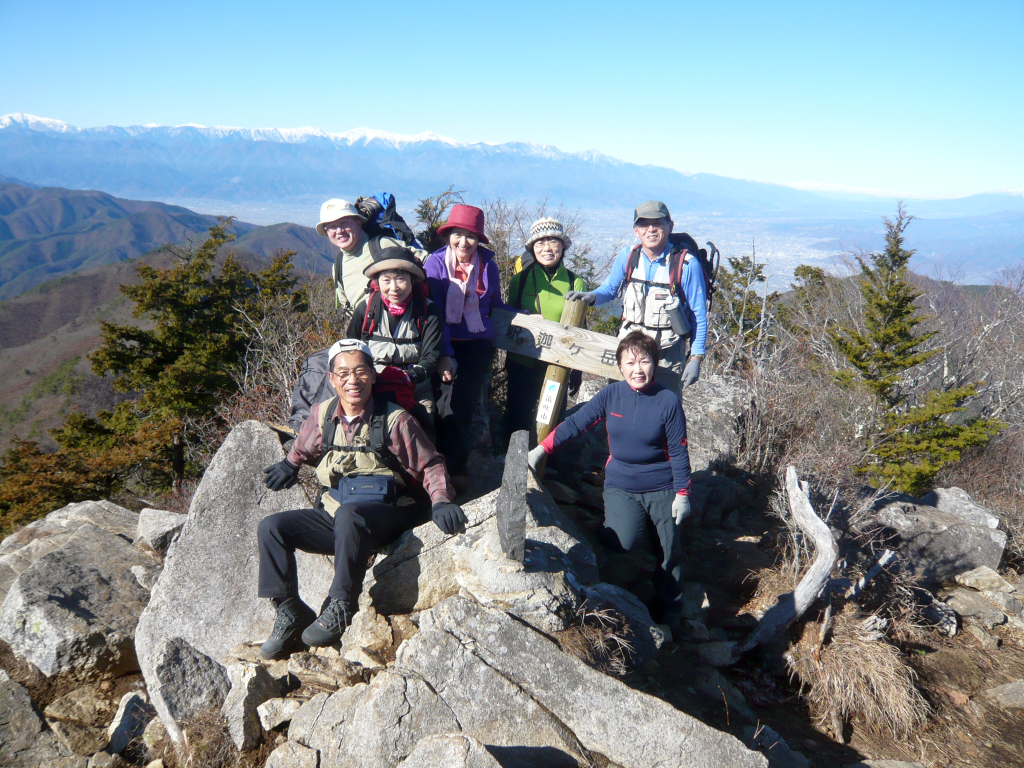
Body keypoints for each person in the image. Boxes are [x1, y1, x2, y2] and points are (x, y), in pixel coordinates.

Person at [257, 339, 466, 659]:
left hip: (387, 512)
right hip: (337, 511)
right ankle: (290, 610)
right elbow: (305, 444)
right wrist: (290, 464)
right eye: (342, 373)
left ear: (372, 375)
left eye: (359, 372)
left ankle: (342, 605)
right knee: (271, 527)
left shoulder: (395, 420)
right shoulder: (323, 414)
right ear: (331, 379)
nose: (351, 380)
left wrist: (440, 499)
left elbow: (429, 463)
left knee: (349, 516)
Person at [528, 331, 692, 633]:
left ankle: (670, 606)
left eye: (644, 361)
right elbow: (577, 423)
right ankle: (606, 534)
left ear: (654, 364)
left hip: (661, 485)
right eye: (630, 362)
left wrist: (682, 492)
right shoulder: (612, 395)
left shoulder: (667, 401)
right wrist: (542, 449)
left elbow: (679, 449)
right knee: (622, 543)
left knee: (669, 548)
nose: (638, 368)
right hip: (621, 483)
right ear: (620, 366)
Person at [566, 201, 707, 395]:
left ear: (670, 226)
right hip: (630, 351)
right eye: (644, 225)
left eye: (657, 223)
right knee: (620, 404)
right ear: (635, 230)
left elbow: (698, 313)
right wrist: (591, 296)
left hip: (667, 353)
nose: (651, 230)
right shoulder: (628, 256)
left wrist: (696, 358)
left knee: (663, 408)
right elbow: (609, 289)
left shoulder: (687, 265)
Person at [423, 204, 509, 476]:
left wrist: (530, 317)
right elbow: (435, 311)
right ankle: (431, 467)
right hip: (443, 341)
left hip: (477, 344)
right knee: (436, 405)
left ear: (479, 239)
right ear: (448, 236)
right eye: (457, 234)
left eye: (470, 235)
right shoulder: (435, 263)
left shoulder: (488, 265)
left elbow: (495, 306)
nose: (464, 242)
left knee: (462, 405)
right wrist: (445, 353)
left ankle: (454, 469)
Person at [346, 245, 444, 437]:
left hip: (415, 387)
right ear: (377, 281)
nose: (394, 288)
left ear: (412, 279)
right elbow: (351, 349)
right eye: (386, 280)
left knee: (425, 429)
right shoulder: (366, 309)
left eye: (400, 279)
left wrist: (409, 377)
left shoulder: (428, 311)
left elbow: (432, 356)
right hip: (371, 385)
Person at [505, 217, 587, 441]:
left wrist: (576, 371)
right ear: (532, 248)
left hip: (557, 365)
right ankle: (511, 466)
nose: (547, 248)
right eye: (540, 242)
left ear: (563, 246)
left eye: (553, 241)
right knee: (517, 417)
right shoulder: (520, 281)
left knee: (551, 419)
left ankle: (547, 468)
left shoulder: (575, 283)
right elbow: (507, 320)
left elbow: (581, 330)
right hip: (522, 362)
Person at [316, 198, 423, 317]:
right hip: (368, 332)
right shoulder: (338, 265)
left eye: (344, 223)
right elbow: (348, 307)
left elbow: (426, 260)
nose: (339, 231)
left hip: (406, 326)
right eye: (332, 227)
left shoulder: (381, 245)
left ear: (358, 223)